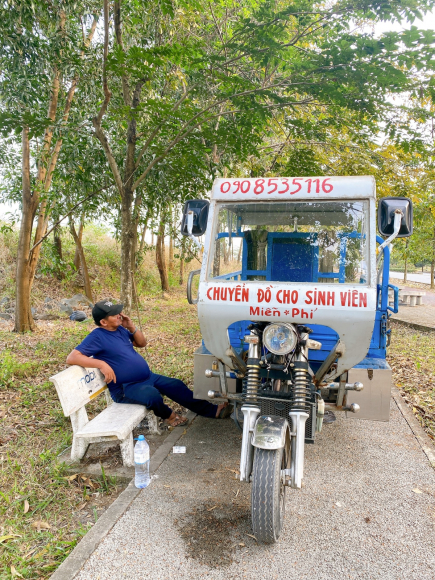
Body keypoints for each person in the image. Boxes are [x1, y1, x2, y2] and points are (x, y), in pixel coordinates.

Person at [66, 300, 232, 427]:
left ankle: (212, 410)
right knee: (152, 396)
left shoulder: (120, 330)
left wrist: (131, 327)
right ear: (103, 322)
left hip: (147, 378)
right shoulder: (97, 336)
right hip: (126, 387)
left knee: (176, 385)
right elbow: (72, 357)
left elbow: (142, 343)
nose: (119, 314)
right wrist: (102, 364)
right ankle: (170, 416)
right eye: (114, 314)